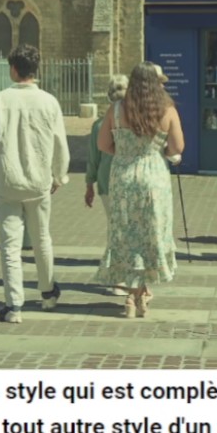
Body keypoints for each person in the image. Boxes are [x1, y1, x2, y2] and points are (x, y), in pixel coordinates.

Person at [0, 44, 70, 324]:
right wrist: (58, 175)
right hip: (39, 180)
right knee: (42, 239)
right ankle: (48, 291)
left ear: (14, 69)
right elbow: (58, 142)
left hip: (8, 180)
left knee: (10, 245)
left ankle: (14, 305)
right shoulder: (49, 101)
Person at [92, 62, 182, 318]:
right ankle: (140, 295)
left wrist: (124, 152)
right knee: (151, 234)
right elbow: (177, 147)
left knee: (125, 235)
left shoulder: (118, 109)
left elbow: (102, 144)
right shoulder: (167, 110)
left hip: (123, 176)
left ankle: (133, 296)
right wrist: (157, 151)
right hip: (154, 177)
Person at [83, 73, 130, 212]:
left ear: (109, 96)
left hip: (107, 179)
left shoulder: (98, 126)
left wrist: (89, 184)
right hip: (130, 178)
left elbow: (93, 158)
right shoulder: (136, 122)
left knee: (113, 225)